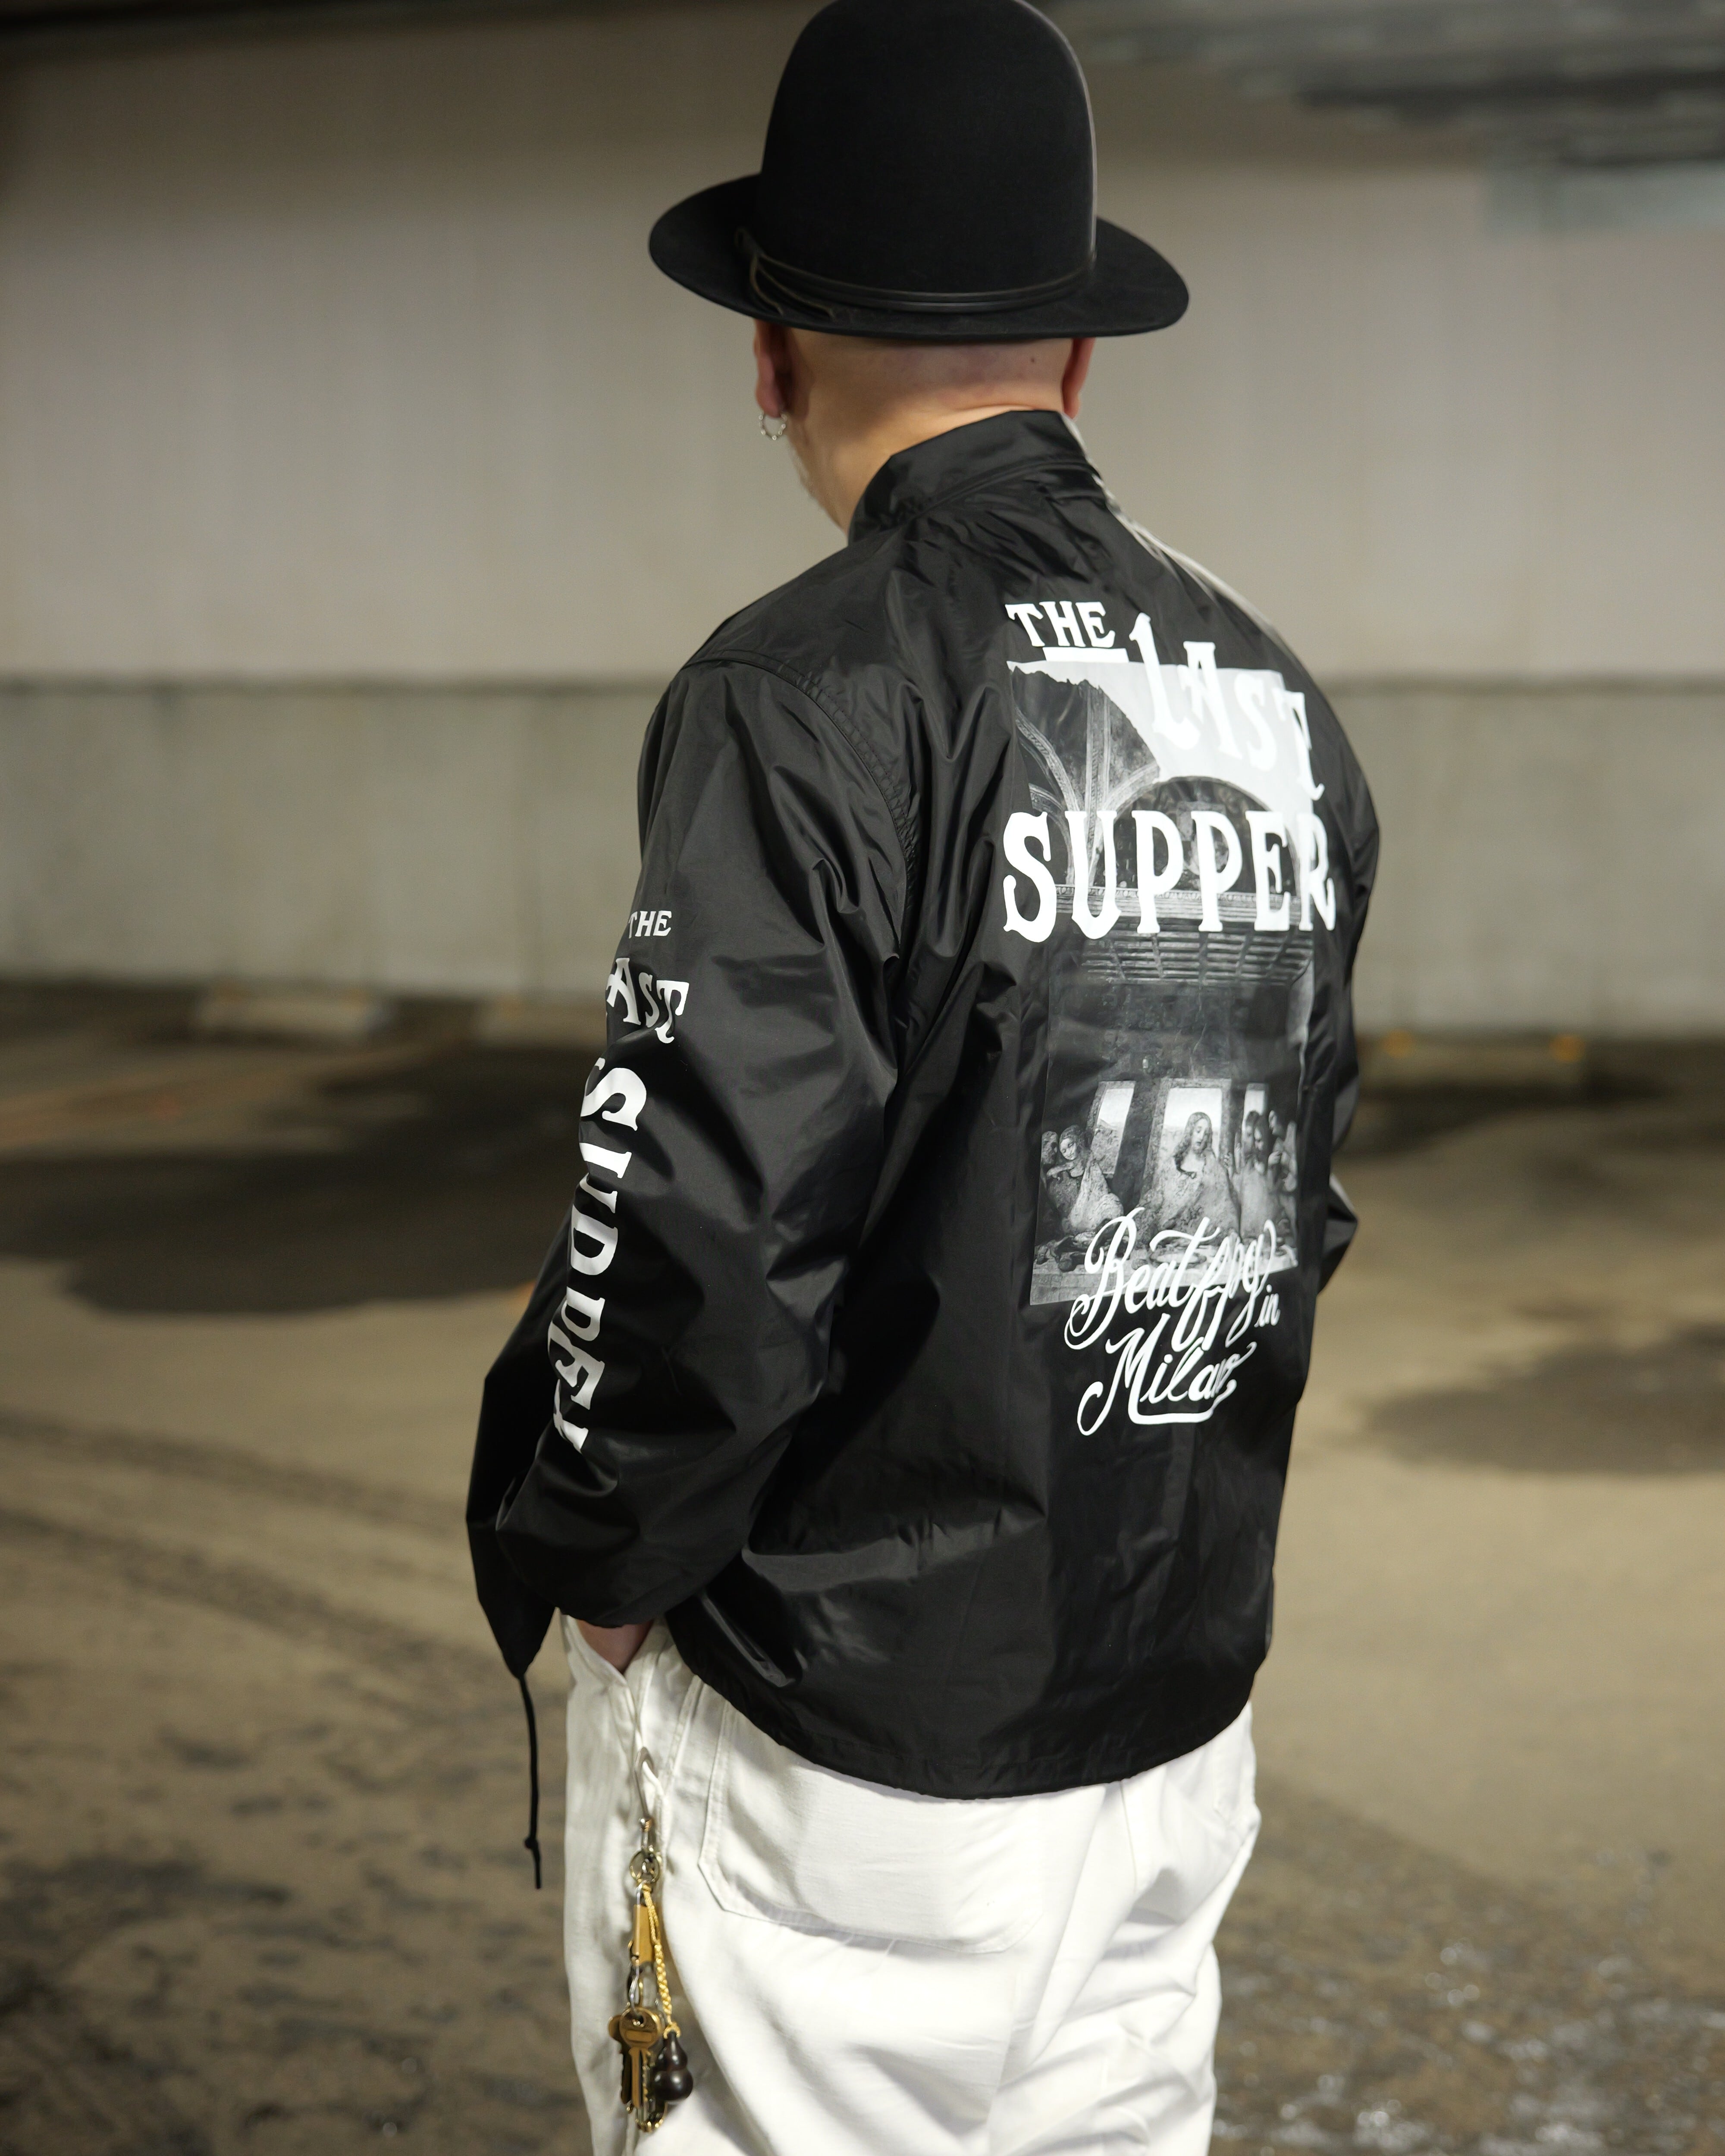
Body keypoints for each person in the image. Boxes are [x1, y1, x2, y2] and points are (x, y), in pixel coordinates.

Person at [466, 3, 1378, 2150]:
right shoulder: (1268, 695)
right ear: (1075, 358)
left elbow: (697, 1215)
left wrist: (600, 1549)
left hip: (841, 1740)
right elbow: (1297, 1192)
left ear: (768, 351)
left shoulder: (803, 691)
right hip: (1164, 1725)